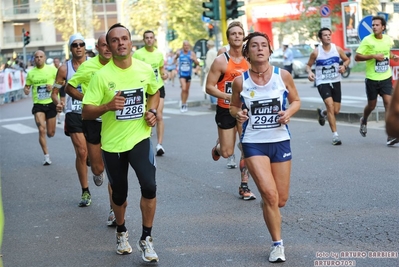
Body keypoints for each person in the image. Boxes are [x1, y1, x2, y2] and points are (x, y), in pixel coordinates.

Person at [82, 23, 160, 262]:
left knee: (149, 186)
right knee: (119, 195)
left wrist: (152, 110)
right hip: (113, 144)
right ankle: (121, 230)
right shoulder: (101, 76)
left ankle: (146, 238)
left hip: (140, 137)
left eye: (124, 38)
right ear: (109, 46)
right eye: (114, 40)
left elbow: (154, 91)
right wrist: (107, 106)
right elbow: (86, 112)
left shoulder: (145, 69)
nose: (120, 43)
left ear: (130, 42)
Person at [230, 32, 300, 263]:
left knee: (280, 200)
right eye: (254, 46)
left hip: (280, 141)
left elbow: (296, 101)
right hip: (253, 142)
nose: (260, 49)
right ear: (247, 52)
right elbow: (233, 106)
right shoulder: (240, 81)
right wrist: (238, 113)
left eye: (264, 45)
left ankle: (268, 205)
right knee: (270, 195)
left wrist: (288, 113)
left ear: (270, 50)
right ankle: (277, 244)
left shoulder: (283, 76)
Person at [66, 34, 116, 226]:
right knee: (98, 168)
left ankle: (114, 210)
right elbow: (69, 87)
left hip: (113, 122)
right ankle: (96, 170)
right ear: (97, 47)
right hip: (93, 120)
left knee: (114, 169)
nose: (108, 49)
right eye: (103, 45)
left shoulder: (120, 64)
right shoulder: (88, 67)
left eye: (109, 45)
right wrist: (86, 101)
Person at [206, 21, 256, 200]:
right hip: (225, 109)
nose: (237, 36)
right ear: (229, 38)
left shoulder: (250, 60)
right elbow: (209, 87)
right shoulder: (221, 61)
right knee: (228, 152)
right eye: (233, 33)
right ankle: (218, 148)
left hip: (245, 110)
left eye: (239, 33)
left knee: (246, 146)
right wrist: (228, 96)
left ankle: (244, 186)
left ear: (243, 37)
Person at [51, 33, 93, 207]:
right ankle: (85, 191)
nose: (78, 47)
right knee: (81, 152)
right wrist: (57, 103)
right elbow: (54, 92)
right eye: (75, 44)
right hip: (73, 113)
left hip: (92, 112)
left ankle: (93, 160)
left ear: (85, 47)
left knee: (93, 155)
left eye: (81, 44)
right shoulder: (64, 69)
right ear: (70, 48)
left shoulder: (94, 64)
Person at [354, 16, 399, 146]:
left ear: (383, 27)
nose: (374, 27)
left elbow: (386, 52)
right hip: (372, 78)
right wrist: (373, 56)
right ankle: (364, 119)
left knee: (388, 103)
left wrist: (392, 56)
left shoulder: (387, 40)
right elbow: (357, 57)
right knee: (372, 105)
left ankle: (390, 136)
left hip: (385, 77)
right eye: (373, 25)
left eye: (377, 25)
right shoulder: (367, 40)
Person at [306, 27, 350, 145]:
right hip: (322, 82)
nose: (328, 37)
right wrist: (310, 73)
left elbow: (347, 60)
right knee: (330, 105)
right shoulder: (316, 52)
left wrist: (344, 66)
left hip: (336, 81)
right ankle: (335, 135)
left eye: (329, 35)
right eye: (325, 35)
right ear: (320, 38)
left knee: (336, 110)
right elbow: (308, 66)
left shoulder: (337, 49)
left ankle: (322, 114)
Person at [133, 30, 168, 156]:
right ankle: (145, 141)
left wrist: (164, 74)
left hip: (158, 87)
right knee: (146, 115)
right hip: (144, 88)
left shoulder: (159, 54)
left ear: (154, 40)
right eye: (146, 38)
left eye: (151, 37)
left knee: (158, 115)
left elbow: (161, 68)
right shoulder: (137, 54)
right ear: (144, 40)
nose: (149, 40)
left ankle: (159, 145)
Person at [23, 50, 58, 165]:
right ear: (34, 59)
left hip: (51, 103)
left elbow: (61, 83)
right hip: (38, 105)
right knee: (41, 130)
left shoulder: (52, 70)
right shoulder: (31, 73)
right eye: (36, 57)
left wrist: (52, 86)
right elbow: (27, 87)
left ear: (44, 58)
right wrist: (26, 90)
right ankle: (46, 156)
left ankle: (49, 133)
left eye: (41, 57)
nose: (39, 59)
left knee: (50, 133)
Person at [175, 40, 199, 112]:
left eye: (188, 45)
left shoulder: (192, 53)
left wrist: (194, 59)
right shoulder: (179, 53)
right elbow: (174, 59)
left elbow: (198, 63)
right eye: (185, 45)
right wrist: (175, 63)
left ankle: (185, 103)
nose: (186, 47)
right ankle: (183, 104)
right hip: (181, 74)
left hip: (188, 74)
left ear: (189, 46)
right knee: (184, 88)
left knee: (187, 90)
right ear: (183, 46)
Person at [204, 39, 218, 106]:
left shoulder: (209, 52)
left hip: (211, 72)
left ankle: (213, 103)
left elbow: (208, 64)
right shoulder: (215, 51)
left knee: (210, 87)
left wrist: (207, 71)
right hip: (216, 71)